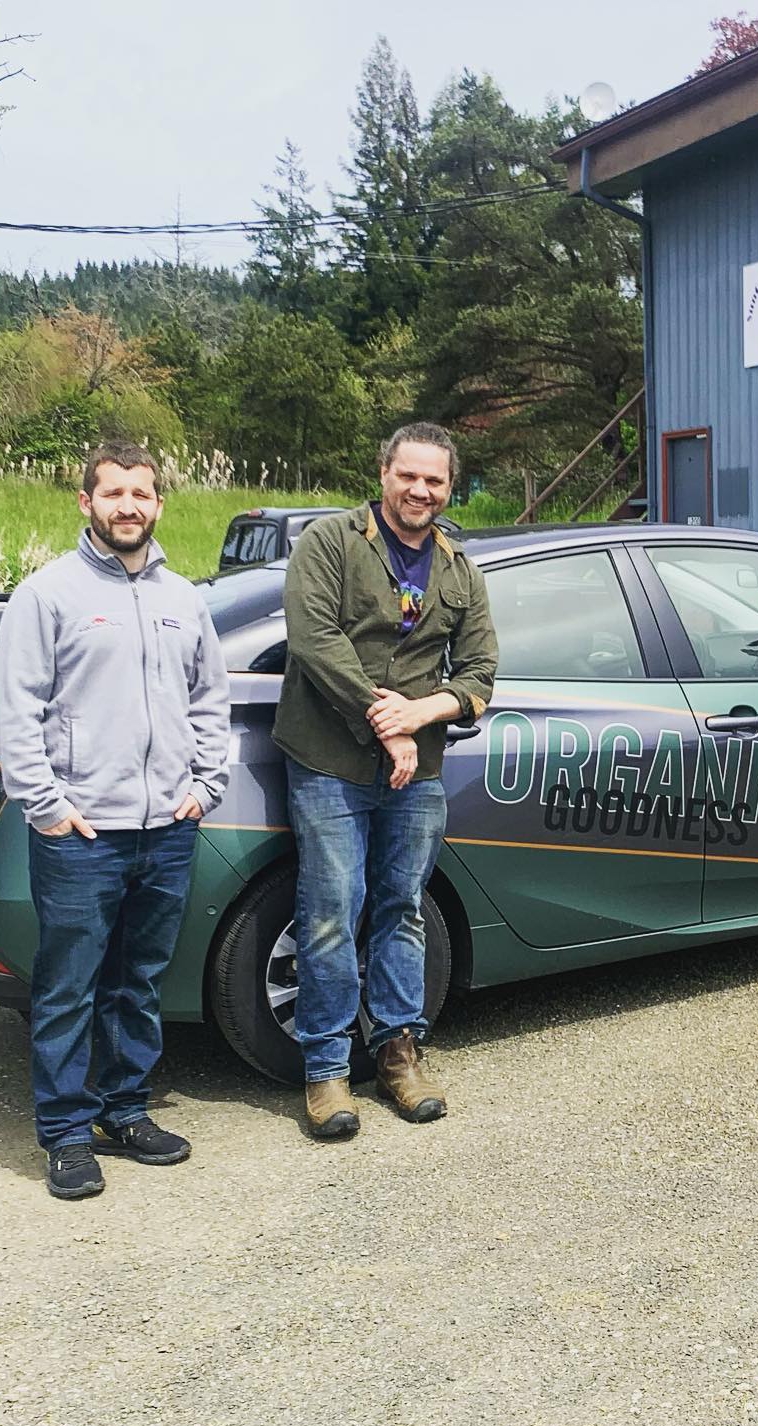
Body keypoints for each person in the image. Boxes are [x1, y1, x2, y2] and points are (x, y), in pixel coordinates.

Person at [0, 442, 231, 1200]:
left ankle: (125, 1112)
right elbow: (15, 709)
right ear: (86, 502)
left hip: (167, 829)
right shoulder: (47, 594)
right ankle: (66, 1133)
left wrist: (206, 786)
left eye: (141, 493)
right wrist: (49, 806)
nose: (129, 505)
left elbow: (209, 699)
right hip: (82, 836)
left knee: (138, 982)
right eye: (113, 493)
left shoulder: (183, 599)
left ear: (158, 504)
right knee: (68, 987)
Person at [274, 421, 497, 1139]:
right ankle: (326, 1071)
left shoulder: (460, 570)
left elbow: (480, 673)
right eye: (409, 476)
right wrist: (386, 724)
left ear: (449, 488)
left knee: (401, 908)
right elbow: (315, 641)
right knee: (330, 912)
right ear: (383, 474)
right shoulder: (330, 543)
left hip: (416, 772)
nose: (420, 491)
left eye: (435, 480)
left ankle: (399, 1055)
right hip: (330, 762)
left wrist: (424, 713)